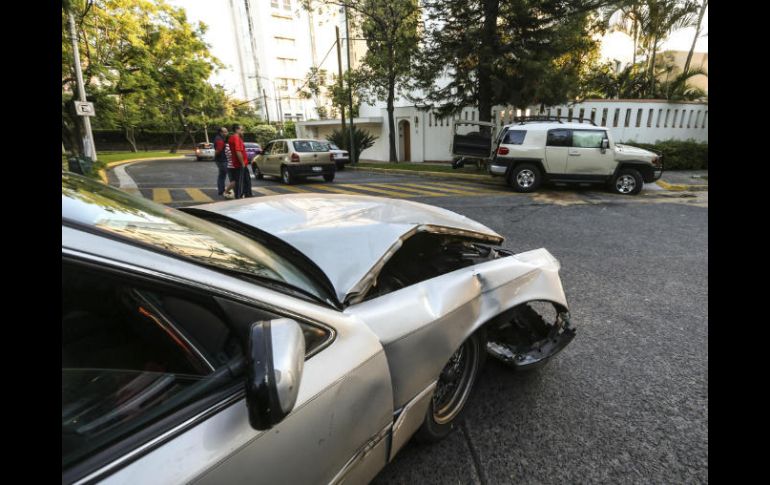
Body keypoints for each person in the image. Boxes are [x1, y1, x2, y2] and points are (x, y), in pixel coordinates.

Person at [228, 124, 253, 198]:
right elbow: (238, 151)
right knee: (240, 181)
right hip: (240, 164)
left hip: (241, 163)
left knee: (246, 180)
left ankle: (248, 194)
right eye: (241, 130)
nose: (243, 132)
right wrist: (242, 163)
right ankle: (239, 196)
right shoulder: (236, 138)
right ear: (236, 130)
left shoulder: (235, 138)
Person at [213, 127, 229, 198]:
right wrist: (215, 157)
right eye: (225, 132)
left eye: (227, 131)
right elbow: (218, 150)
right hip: (222, 160)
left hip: (220, 160)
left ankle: (221, 190)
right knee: (229, 175)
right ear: (221, 132)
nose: (227, 133)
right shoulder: (219, 139)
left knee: (222, 175)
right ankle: (224, 190)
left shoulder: (218, 138)